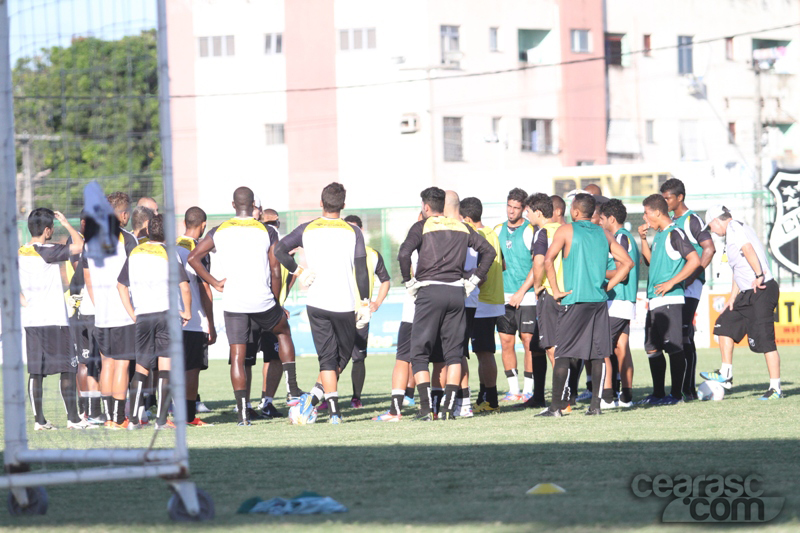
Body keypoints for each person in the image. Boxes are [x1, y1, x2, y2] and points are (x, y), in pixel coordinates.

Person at [188, 186, 301, 426]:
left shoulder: (219, 230)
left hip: (234, 301)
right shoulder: (266, 230)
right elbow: (275, 270)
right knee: (283, 332)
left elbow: (193, 258)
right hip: (262, 299)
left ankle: (242, 414)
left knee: (238, 356)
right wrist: (277, 302)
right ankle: (292, 390)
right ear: (253, 206)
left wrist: (214, 282)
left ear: (233, 205)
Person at [273, 183, 371, 424]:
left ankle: (317, 402)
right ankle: (331, 410)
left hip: (316, 304)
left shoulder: (307, 228)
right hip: (344, 303)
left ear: (321, 203)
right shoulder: (353, 231)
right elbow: (361, 269)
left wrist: (299, 271)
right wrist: (365, 302)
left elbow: (279, 250)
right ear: (344, 205)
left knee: (328, 359)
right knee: (341, 358)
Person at [398, 187, 497, 421]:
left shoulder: (422, 226)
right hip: (456, 293)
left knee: (419, 354)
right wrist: (474, 280)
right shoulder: (461, 227)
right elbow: (489, 252)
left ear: (426, 207)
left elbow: (403, 254)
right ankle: (449, 409)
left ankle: (426, 409)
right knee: (454, 354)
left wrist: (409, 282)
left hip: (429, 291)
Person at [536, 194, 633, 417]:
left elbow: (547, 260)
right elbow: (627, 263)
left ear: (576, 212)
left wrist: (555, 290)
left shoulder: (566, 230)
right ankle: (595, 406)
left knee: (562, 354)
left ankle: (556, 407)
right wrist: (607, 286)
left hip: (574, 301)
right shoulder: (604, 233)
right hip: (598, 302)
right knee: (598, 355)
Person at [19, 208, 93, 430]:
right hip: (54, 320)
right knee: (68, 368)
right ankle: (74, 419)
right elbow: (79, 245)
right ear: (47, 230)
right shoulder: (47, 250)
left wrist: (24, 301)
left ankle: (39, 421)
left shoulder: (21, 252)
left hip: (32, 320)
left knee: (36, 371)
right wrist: (67, 224)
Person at [117, 215, 192, 430]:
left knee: (141, 367)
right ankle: (161, 420)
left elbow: (121, 286)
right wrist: (187, 312)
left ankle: (133, 420)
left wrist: (133, 313)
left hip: (143, 315)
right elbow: (184, 287)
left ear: (148, 231)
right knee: (165, 366)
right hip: (166, 314)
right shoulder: (170, 253)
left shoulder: (135, 252)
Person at [700, 205, 782, 399]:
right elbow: (738, 269)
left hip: (762, 289)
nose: (712, 231)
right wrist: (732, 297)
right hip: (745, 293)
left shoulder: (734, 227)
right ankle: (726, 374)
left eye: (710, 226)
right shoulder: (732, 233)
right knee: (724, 325)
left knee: (765, 341)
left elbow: (748, 248)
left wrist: (759, 275)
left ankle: (775, 388)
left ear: (717, 220)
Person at [637, 194, 701, 405]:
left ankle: (676, 395)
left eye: (646, 213)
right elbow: (650, 261)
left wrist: (672, 282)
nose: (644, 217)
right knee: (652, 347)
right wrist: (643, 240)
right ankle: (658, 394)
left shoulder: (675, 233)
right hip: (655, 301)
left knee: (674, 347)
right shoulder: (660, 236)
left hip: (670, 300)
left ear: (657, 212)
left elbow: (694, 260)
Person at [84, 191, 138, 429]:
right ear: (123, 215)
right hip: (124, 313)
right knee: (122, 365)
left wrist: (99, 305)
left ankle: (108, 418)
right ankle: (118, 418)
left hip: (102, 315)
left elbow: (87, 277)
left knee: (107, 364)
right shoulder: (127, 239)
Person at [661, 178, 715, 400]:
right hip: (675, 286)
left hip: (690, 286)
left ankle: (688, 389)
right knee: (678, 335)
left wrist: (692, 276)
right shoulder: (670, 222)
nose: (665, 202)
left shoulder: (692, 220)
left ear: (680, 197)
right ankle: (682, 389)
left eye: (668, 198)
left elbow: (709, 248)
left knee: (684, 334)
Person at [460, 197, 505, 414]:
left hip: (483, 302)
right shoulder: (492, 234)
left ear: (467, 218)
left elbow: (481, 274)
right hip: (493, 299)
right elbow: (502, 265)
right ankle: (483, 397)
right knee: (481, 352)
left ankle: (492, 401)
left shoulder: (477, 236)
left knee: (485, 353)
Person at [493, 188, 538, 403]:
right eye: (509, 206)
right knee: (506, 342)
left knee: (528, 342)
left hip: (527, 296)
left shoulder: (531, 231)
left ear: (524, 209)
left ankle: (529, 390)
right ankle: (513, 390)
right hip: (503, 297)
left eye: (516, 208)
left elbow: (537, 266)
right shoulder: (497, 230)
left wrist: (521, 292)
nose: (511, 211)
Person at [344, 215, 391, 408]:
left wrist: (377, 303)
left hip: (361, 314)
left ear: (361, 231)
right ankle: (328, 398)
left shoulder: (372, 254)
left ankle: (356, 398)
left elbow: (386, 280)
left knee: (358, 357)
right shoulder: (337, 253)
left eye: (355, 229)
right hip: (339, 311)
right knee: (332, 357)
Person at [176, 207, 217, 425]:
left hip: (173, 317)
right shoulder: (199, 249)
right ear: (203, 225)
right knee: (192, 369)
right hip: (194, 320)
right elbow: (204, 288)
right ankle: (189, 415)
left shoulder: (172, 245)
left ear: (184, 223)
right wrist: (211, 322)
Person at [599, 199, 639, 407]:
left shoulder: (620, 238)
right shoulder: (627, 237)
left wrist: (597, 273)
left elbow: (622, 272)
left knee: (601, 347)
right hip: (625, 301)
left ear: (611, 219)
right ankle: (626, 397)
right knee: (621, 347)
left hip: (616, 300)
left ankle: (607, 397)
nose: (600, 222)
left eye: (602, 218)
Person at [66, 212, 104, 424]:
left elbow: (76, 282)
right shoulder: (79, 244)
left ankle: (91, 410)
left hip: (84, 310)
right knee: (89, 362)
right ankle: (89, 410)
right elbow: (77, 276)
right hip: (87, 311)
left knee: (89, 361)